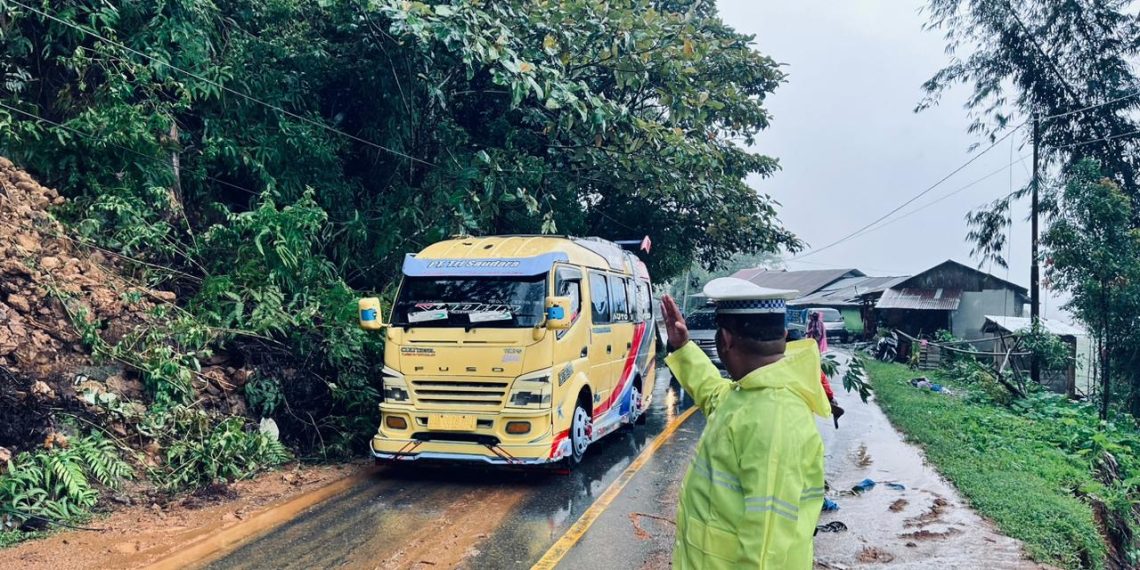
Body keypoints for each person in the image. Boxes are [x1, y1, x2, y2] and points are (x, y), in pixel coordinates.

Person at [661, 278, 831, 569]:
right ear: (784, 334)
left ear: (725, 340)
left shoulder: (775, 417)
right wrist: (683, 347)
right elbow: (715, 394)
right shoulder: (752, 395)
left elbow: (765, 550)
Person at [788, 329, 844, 428]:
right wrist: (830, 397)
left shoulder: (779, 359)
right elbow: (823, 380)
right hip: (804, 401)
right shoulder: (808, 360)